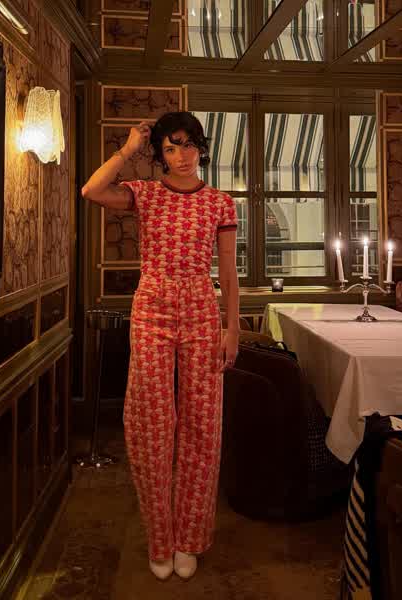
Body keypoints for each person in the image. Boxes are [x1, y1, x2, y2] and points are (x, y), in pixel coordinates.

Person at [82, 111, 240, 581]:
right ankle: (160, 537)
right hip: (152, 307)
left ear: (200, 147)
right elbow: (91, 190)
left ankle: (189, 537)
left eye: (188, 145)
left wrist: (232, 328)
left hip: (201, 307)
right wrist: (130, 148)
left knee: (201, 422)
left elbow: (228, 273)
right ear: (161, 154)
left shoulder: (220, 203)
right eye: (170, 148)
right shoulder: (146, 193)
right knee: (151, 420)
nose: (181, 156)